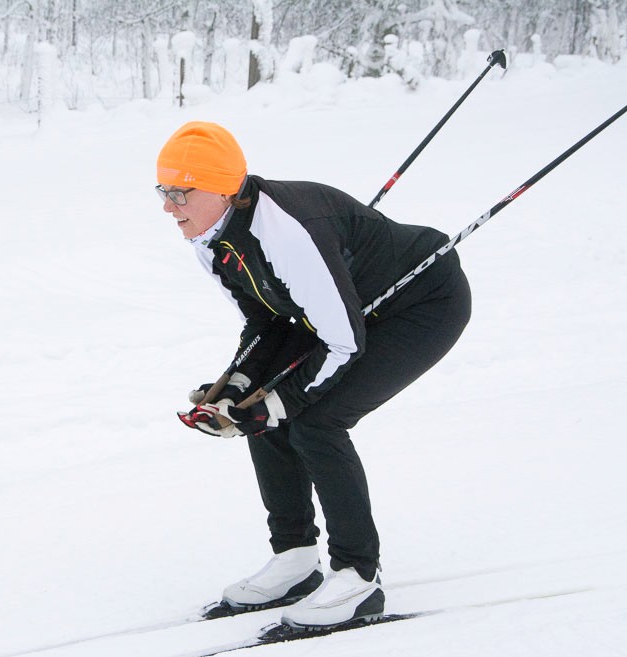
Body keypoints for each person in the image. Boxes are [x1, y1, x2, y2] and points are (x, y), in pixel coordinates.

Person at [156, 121, 472, 629]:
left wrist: (276, 404)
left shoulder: (286, 233)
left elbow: (343, 343)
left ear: (222, 189)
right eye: (163, 191)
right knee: (262, 411)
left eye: (179, 193)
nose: (168, 208)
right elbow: (268, 321)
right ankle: (296, 558)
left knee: (315, 421)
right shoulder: (211, 238)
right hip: (344, 312)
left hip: (420, 303)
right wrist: (237, 387)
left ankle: (358, 577)